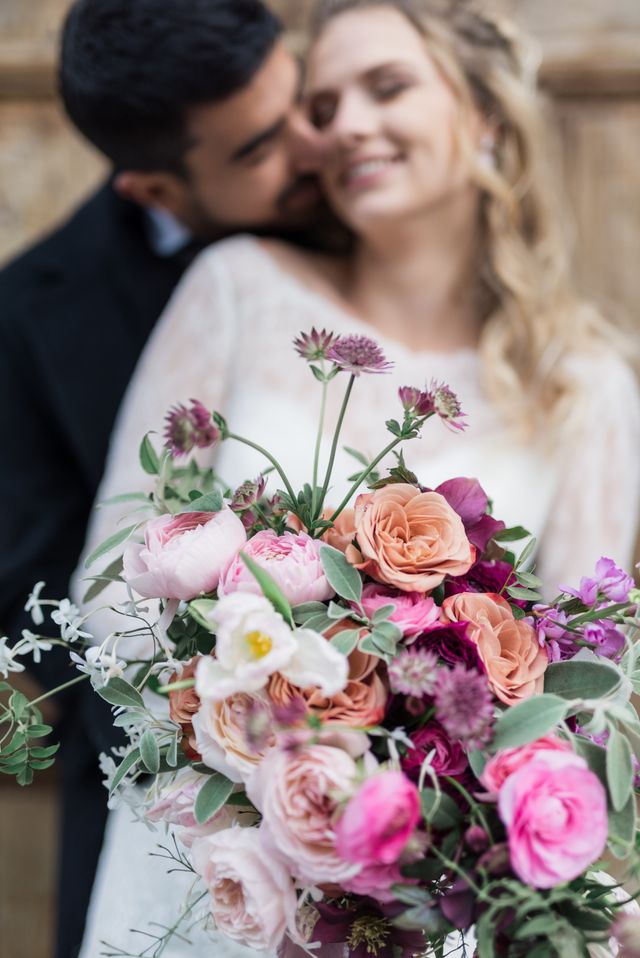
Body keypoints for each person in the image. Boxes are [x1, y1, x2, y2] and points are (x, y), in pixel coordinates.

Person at [72, 0, 640, 955]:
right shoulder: (238, 286)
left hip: (426, 895)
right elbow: (110, 594)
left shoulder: (581, 383)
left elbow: (594, 687)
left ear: (486, 117)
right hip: (214, 874)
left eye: (387, 87)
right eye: (324, 105)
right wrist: (256, 776)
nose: (346, 128)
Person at [0, 1, 327, 955]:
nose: (316, 145)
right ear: (154, 189)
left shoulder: (386, 218)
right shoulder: (29, 316)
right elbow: (44, 600)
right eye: (265, 143)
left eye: (302, 99)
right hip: (180, 836)